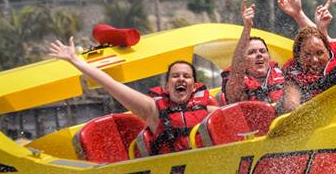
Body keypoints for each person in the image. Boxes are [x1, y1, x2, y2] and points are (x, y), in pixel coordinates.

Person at [48, 37, 219, 154]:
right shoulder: (152, 110)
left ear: (194, 86)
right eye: (175, 76)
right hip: (171, 172)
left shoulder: (210, 111)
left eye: (186, 76)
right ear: (167, 86)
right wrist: (75, 60)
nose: (181, 79)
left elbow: (241, 116)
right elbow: (111, 85)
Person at [222, 0, 285, 105]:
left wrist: (298, 15)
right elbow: (236, 72)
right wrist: (247, 27)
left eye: (262, 51)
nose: (259, 55)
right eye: (252, 52)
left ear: (269, 57)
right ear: (243, 61)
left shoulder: (285, 76)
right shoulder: (237, 85)